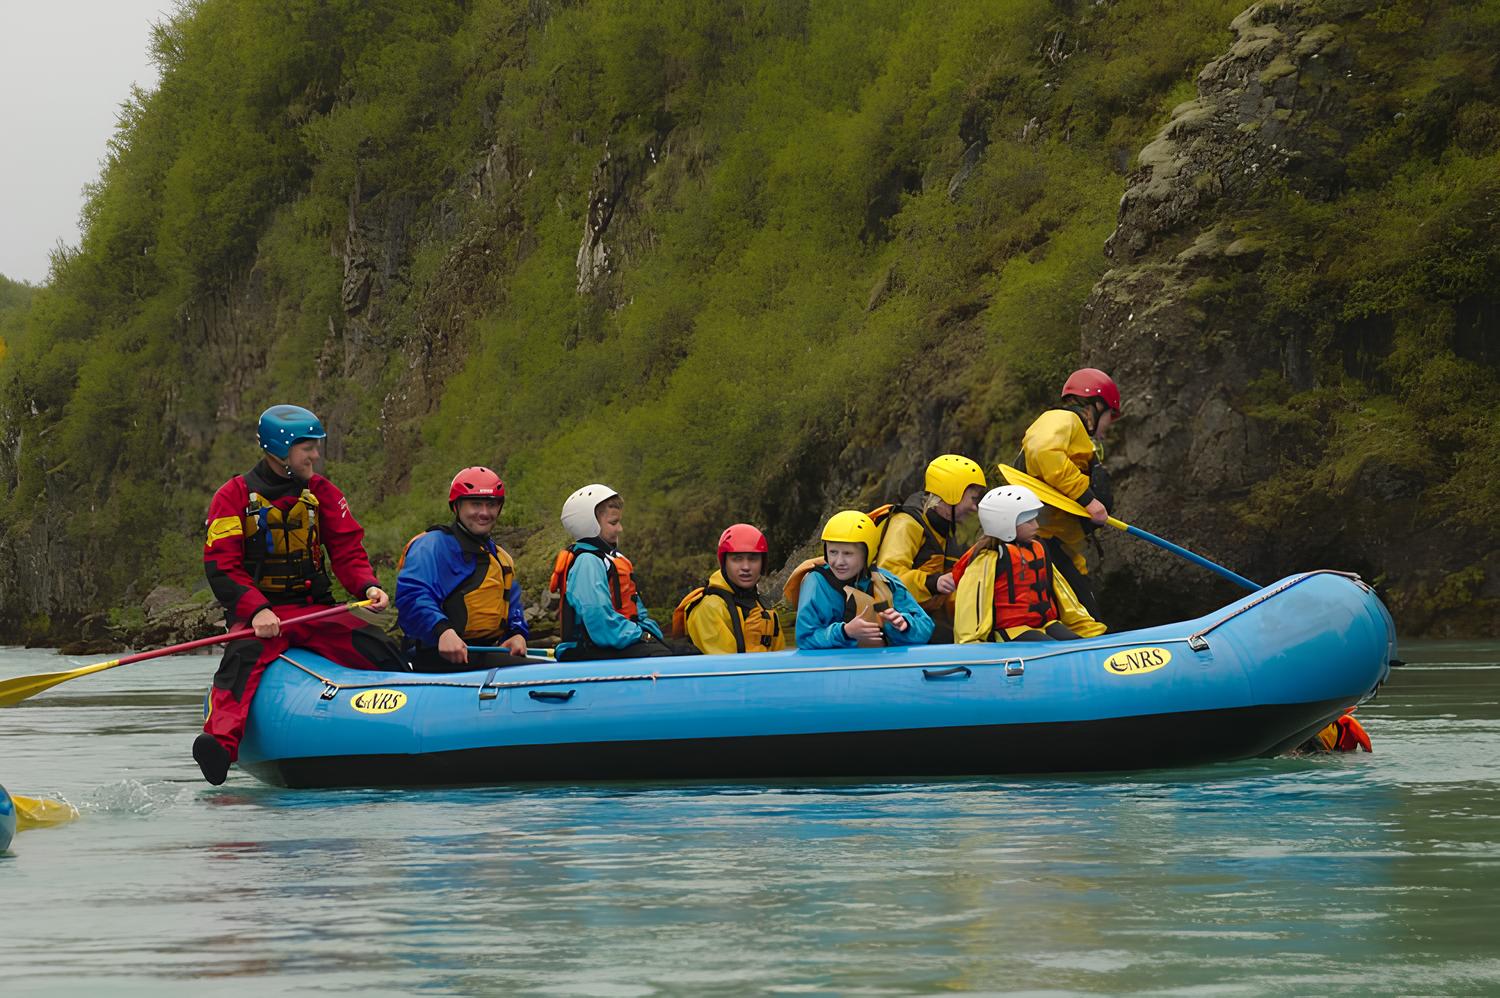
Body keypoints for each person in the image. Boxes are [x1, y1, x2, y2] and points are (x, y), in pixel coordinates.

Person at [197, 404, 405, 785]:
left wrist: (367, 585)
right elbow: (222, 566)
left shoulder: (322, 492)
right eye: (307, 447)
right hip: (264, 617)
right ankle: (220, 745)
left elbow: (346, 549)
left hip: (315, 612)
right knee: (241, 663)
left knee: (379, 647)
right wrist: (256, 609)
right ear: (280, 449)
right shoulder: (233, 496)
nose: (315, 455)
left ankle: (401, 720)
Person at [395, 466, 529, 672]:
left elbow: (512, 604)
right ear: (456, 507)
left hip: (483, 655)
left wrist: (516, 633)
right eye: (475, 504)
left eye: (491, 505)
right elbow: (412, 596)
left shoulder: (501, 558)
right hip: (436, 656)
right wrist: (442, 631)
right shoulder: (432, 546)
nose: (484, 513)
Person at [1018, 367, 1120, 624]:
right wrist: (1089, 500)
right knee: (1090, 624)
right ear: (1096, 405)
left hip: (1062, 547)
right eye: (1110, 416)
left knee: (1089, 619)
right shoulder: (1063, 419)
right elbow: (1043, 450)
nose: (1108, 426)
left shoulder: (1079, 436)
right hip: (1043, 544)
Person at [952, 485, 1104, 642]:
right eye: (1029, 521)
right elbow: (971, 608)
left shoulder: (1037, 549)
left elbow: (1064, 596)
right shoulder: (988, 560)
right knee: (1049, 646)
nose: (1036, 526)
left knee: (1073, 641)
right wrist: (972, 644)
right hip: (1012, 631)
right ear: (1005, 524)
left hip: (1046, 625)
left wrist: (1090, 631)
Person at [549, 483, 673, 662]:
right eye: (613, 523)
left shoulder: (609, 559)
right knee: (663, 657)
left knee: (684, 650)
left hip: (615, 643)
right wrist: (642, 636)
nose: (620, 529)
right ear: (589, 525)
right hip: (589, 650)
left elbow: (639, 613)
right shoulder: (587, 562)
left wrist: (651, 634)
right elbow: (601, 623)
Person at [874, 454, 987, 643]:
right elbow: (887, 578)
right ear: (953, 495)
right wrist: (932, 582)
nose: (974, 508)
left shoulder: (944, 529)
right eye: (972, 499)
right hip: (898, 622)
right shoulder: (907, 524)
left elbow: (950, 595)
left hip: (925, 617)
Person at [785, 511, 934, 649]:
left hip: (878, 667)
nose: (839, 561)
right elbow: (805, 638)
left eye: (848, 553)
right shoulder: (816, 582)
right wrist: (845, 632)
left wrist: (905, 624)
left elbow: (926, 628)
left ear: (867, 554)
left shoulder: (886, 581)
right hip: (834, 670)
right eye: (833, 552)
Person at [672, 523, 785, 654]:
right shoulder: (709, 608)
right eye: (737, 559)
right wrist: (753, 646)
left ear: (762, 563)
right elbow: (724, 669)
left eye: (753, 559)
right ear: (724, 563)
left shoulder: (765, 609)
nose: (746, 567)